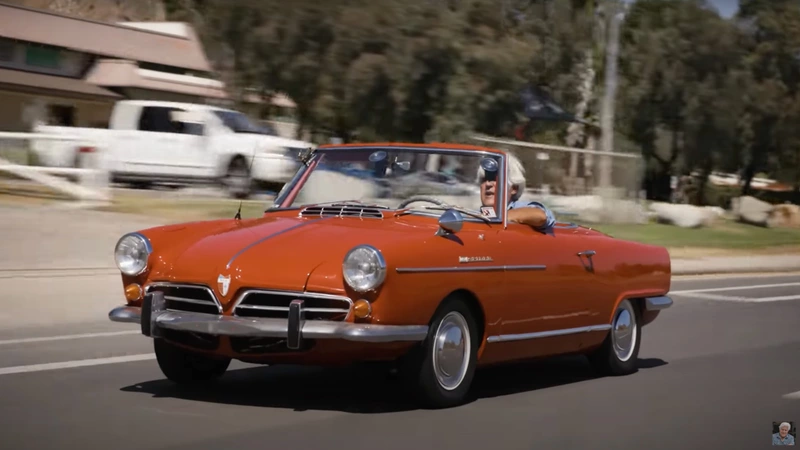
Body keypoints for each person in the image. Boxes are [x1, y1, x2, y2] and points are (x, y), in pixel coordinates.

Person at [477, 152, 555, 233]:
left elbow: (540, 216)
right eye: (484, 179)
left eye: (494, 179)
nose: (487, 184)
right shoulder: (475, 214)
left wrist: (500, 217)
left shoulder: (520, 208)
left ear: (514, 188)